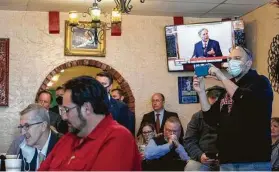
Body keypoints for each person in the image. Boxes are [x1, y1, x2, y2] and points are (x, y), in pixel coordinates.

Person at [192, 46, 273, 171]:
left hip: (253, 161)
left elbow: (243, 98)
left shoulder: (260, 82)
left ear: (248, 63)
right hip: (227, 160)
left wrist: (222, 77)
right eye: (229, 59)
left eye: (237, 58)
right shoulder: (228, 89)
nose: (232, 62)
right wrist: (201, 92)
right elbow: (211, 119)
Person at [38, 76, 141, 171]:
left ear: (87, 108)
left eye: (67, 110)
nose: (64, 117)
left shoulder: (118, 137)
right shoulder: (69, 137)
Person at [184, 85, 225, 171]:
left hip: (226, 160)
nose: (215, 101)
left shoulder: (231, 116)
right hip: (202, 159)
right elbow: (189, 140)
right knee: (191, 168)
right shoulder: (197, 117)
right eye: (212, 98)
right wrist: (200, 155)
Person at [18, 104, 59, 171]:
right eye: (21, 127)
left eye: (27, 126)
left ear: (43, 126)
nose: (22, 132)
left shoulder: (62, 146)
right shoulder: (24, 146)